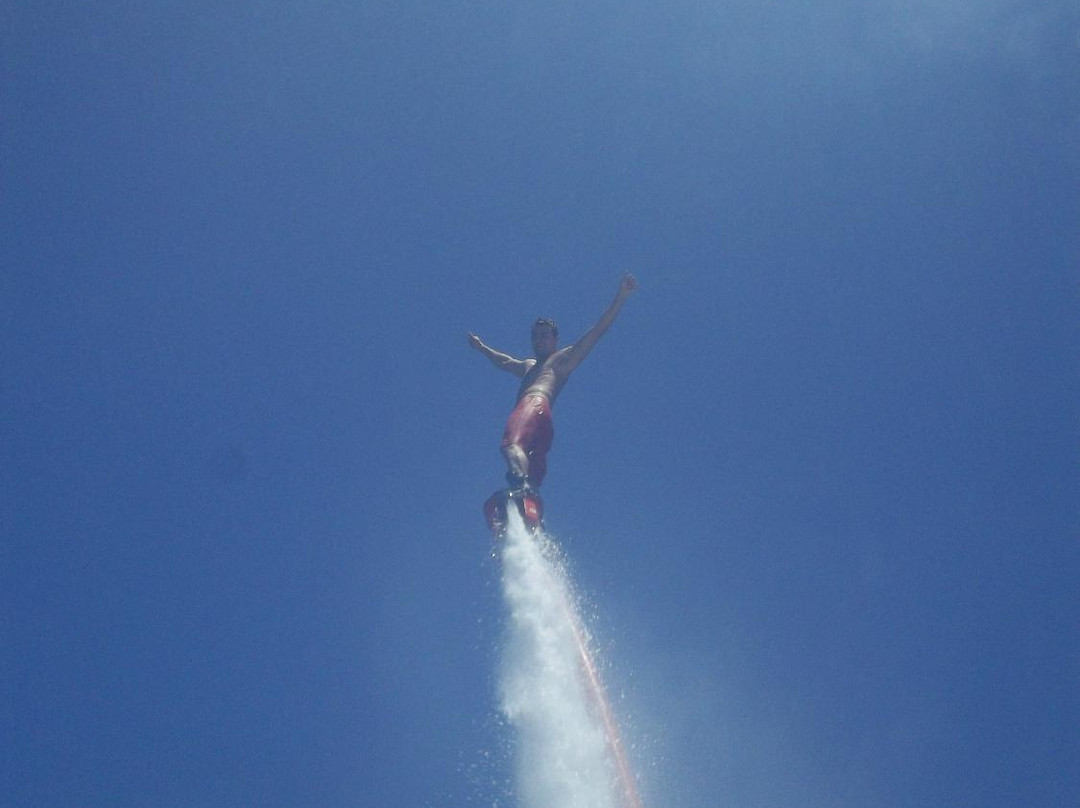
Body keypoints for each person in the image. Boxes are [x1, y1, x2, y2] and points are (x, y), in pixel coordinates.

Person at [468, 273, 638, 491]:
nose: (539, 339)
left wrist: (621, 297)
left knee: (511, 445)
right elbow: (505, 361)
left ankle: (521, 488)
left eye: (544, 335)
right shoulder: (529, 365)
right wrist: (482, 348)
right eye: (535, 336)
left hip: (534, 405)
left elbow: (597, 331)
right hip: (543, 426)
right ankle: (530, 513)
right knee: (532, 474)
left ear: (555, 340)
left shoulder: (562, 359)